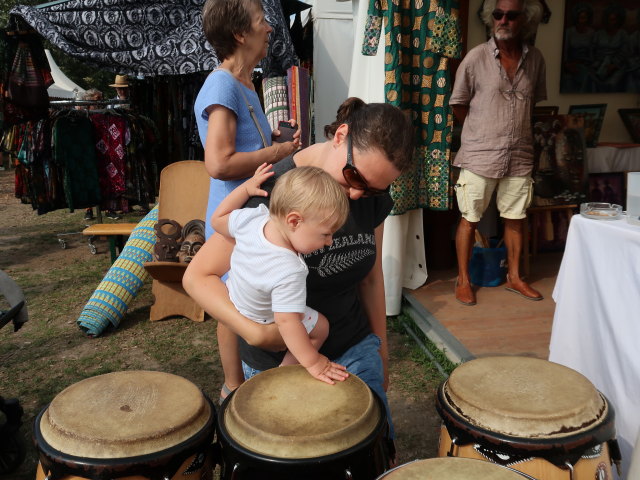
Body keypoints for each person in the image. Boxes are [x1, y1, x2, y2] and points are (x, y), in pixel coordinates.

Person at [183, 98, 415, 450]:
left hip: (352, 345)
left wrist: (380, 348)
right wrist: (256, 333)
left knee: (372, 447)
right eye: (354, 177)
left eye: (372, 189)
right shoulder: (274, 192)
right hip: (279, 360)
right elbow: (198, 277)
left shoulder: (370, 198)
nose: (356, 194)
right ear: (341, 135)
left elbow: (370, 276)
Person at [211, 164, 350, 384]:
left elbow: (217, 219)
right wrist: (314, 362)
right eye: (325, 234)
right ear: (294, 221)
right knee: (321, 326)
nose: (329, 242)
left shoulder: (253, 218)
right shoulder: (290, 269)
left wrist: (246, 189)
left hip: (236, 302)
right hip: (261, 316)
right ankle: (285, 373)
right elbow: (286, 321)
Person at [450, 0, 546, 306]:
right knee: (470, 218)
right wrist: (482, 132)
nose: (503, 20)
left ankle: (515, 278)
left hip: (519, 154)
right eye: (498, 14)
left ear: (525, 21)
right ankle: (463, 280)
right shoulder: (476, 58)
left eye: (511, 15)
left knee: (516, 218)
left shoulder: (536, 60)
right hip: (480, 154)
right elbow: (459, 103)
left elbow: (535, 104)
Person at [195, 0, 300, 242]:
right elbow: (219, 164)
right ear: (240, 34)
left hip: (245, 219)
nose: (269, 28)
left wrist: (271, 141)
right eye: (261, 20)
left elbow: (242, 149)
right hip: (232, 228)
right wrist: (275, 153)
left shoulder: (244, 84)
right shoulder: (223, 84)